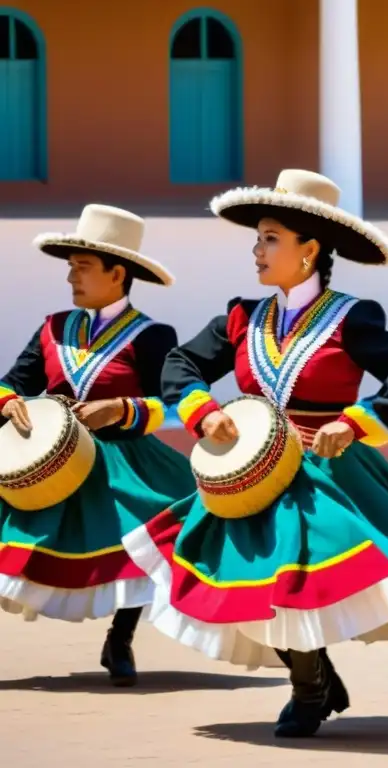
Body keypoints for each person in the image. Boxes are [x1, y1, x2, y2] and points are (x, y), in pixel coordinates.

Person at [121, 169, 388, 739]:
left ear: (309, 250)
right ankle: (314, 677)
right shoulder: (242, 317)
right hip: (248, 466)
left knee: (298, 579)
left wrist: (357, 422)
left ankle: (308, 689)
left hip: (323, 467)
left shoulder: (353, 316)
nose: (257, 249)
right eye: (258, 237)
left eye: (270, 238)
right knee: (252, 580)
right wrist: (203, 411)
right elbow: (181, 363)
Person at [0, 204, 193, 686]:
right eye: (70, 266)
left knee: (145, 537)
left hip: (122, 458)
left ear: (117, 273)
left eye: (83, 267)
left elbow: (171, 403)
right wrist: (9, 404)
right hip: (51, 455)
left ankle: (120, 638)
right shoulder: (52, 327)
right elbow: (12, 382)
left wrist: (122, 409)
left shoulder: (152, 336)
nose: (71, 277)